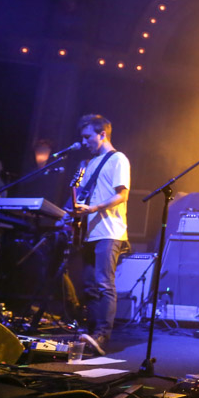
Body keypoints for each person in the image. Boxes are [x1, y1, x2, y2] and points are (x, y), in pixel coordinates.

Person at [71, 114, 130, 355]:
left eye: (87, 137)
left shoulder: (118, 159)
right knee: (88, 285)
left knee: (104, 284)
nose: (84, 142)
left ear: (102, 134)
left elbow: (122, 195)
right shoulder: (89, 163)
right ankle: (92, 332)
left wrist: (93, 208)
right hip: (90, 232)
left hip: (109, 232)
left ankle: (103, 335)